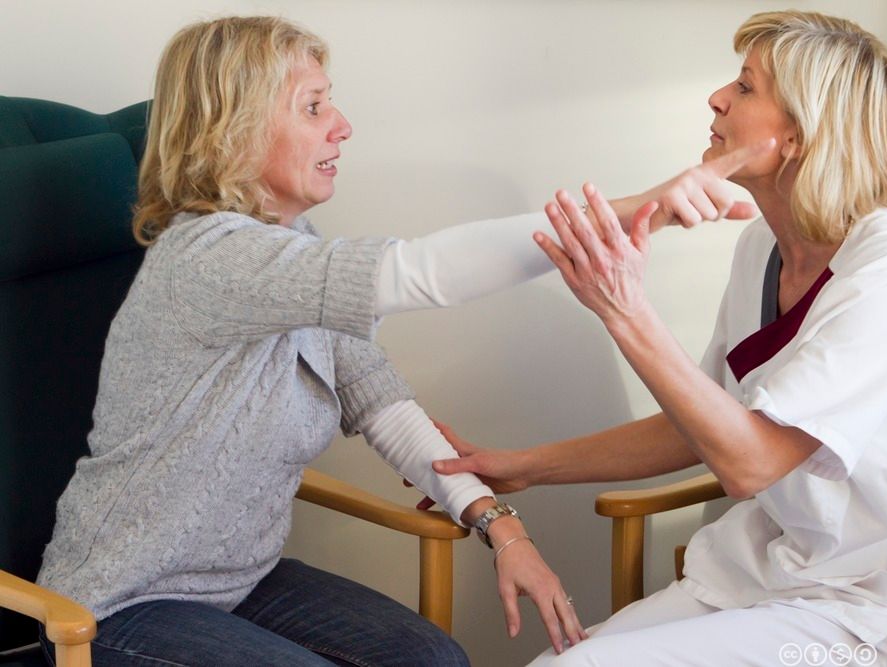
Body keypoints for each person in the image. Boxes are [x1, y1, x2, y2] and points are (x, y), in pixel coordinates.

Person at [34, 15, 761, 667]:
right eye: (314, 106)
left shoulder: (291, 250)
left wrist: (503, 529)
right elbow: (422, 272)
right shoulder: (209, 259)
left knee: (435, 657)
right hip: (119, 609)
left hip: (235, 584)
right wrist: (643, 206)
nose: (342, 124)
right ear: (235, 128)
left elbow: (379, 402)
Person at [433, 10, 887, 666]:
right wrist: (522, 465)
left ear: (799, 134)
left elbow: (749, 462)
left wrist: (625, 309)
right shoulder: (763, 245)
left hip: (886, 613)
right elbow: (695, 422)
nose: (718, 98)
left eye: (747, 87)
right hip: (771, 574)